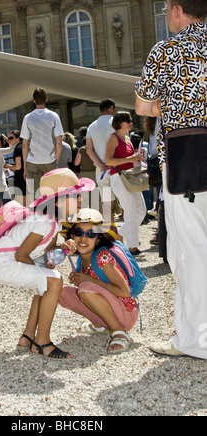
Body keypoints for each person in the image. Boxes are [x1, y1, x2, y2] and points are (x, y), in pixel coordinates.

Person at [135, 0, 207, 359]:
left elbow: (141, 105)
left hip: (186, 156)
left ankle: (192, 339)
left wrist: (171, 103)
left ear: (177, 9)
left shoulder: (169, 49)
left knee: (189, 250)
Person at [0, 168, 96, 359]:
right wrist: (45, 269)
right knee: (53, 281)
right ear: (58, 200)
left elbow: (47, 256)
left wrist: (64, 248)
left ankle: (28, 337)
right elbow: (21, 255)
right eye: (75, 196)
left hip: (5, 262)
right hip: (2, 264)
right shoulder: (44, 222)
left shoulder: (53, 221)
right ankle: (42, 342)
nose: (80, 200)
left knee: (45, 281)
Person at [59, 208, 138, 354]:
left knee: (86, 287)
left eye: (91, 234)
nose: (83, 239)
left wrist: (88, 280)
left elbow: (125, 292)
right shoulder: (81, 259)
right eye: (78, 233)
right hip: (109, 310)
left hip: (125, 313)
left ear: (99, 238)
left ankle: (119, 331)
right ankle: (99, 324)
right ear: (71, 236)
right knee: (62, 292)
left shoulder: (103, 257)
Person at [105, 112, 147, 256]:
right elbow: (108, 161)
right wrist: (131, 158)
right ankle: (132, 247)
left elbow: (127, 159)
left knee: (141, 211)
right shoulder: (113, 138)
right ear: (120, 123)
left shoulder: (128, 138)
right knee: (130, 212)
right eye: (128, 121)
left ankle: (119, 235)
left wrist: (136, 159)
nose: (131, 122)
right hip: (119, 178)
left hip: (129, 177)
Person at [21, 88, 63, 200]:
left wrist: (25, 166)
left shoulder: (27, 117)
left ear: (33, 100)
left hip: (32, 161)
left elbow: (25, 145)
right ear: (46, 99)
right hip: (49, 160)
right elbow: (59, 143)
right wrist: (56, 160)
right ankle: (52, 216)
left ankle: (38, 216)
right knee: (52, 195)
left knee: (36, 197)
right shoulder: (54, 116)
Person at [86, 98, 116, 222]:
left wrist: (101, 165)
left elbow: (89, 149)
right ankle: (127, 234)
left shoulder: (92, 126)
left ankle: (110, 233)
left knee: (107, 204)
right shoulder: (117, 122)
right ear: (111, 108)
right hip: (117, 166)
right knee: (126, 203)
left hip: (101, 170)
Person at [5, 130, 27, 207]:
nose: (9, 140)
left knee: (21, 205)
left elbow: (18, 166)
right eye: (8, 138)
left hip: (20, 178)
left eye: (11, 138)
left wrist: (7, 166)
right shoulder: (24, 146)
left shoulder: (17, 149)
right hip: (27, 177)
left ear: (18, 138)